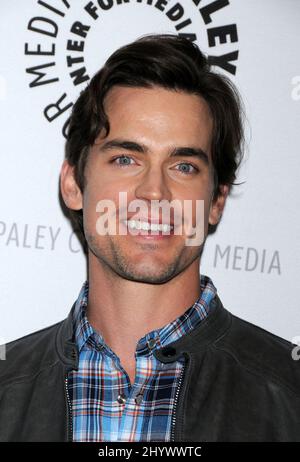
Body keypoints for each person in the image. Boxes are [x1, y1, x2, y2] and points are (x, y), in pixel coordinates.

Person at [0, 33, 299, 443]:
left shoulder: (289, 392)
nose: (154, 192)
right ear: (73, 184)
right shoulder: (7, 386)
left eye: (184, 166)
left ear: (216, 201)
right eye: (126, 159)